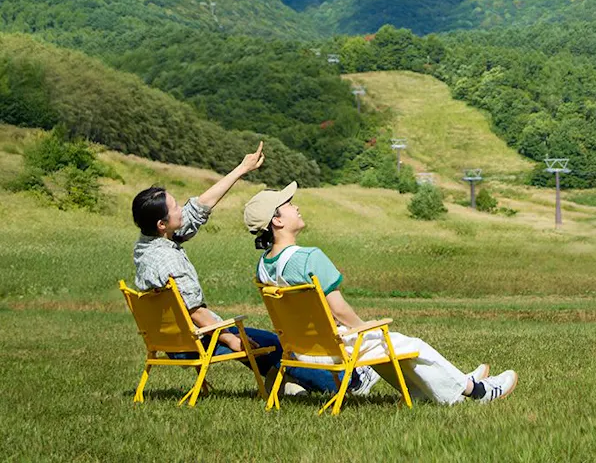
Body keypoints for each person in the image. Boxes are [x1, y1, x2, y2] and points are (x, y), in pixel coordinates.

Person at [129, 142, 378, 397]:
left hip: (174, 337)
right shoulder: (168, 261)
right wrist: (230, 339)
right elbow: (194, 310)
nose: (182, 208)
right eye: (175, 208)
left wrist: (241, 169)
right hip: (195, 338)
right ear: (162, 224)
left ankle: (287, 384)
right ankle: (350, 384)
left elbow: (199, 207)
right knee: (273, 347)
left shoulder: (149, 245)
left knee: (265, 341)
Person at [244, 182, 518, 404]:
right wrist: (364, 328)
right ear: (277, 221)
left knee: (392, 346)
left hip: (302, 352)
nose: (297, 206)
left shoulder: (263, 267)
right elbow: (338, 309)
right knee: (412, 346)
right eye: (289, 205)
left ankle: (435, 388)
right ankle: (477, 390)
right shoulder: (309, 258)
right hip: (335, 350)